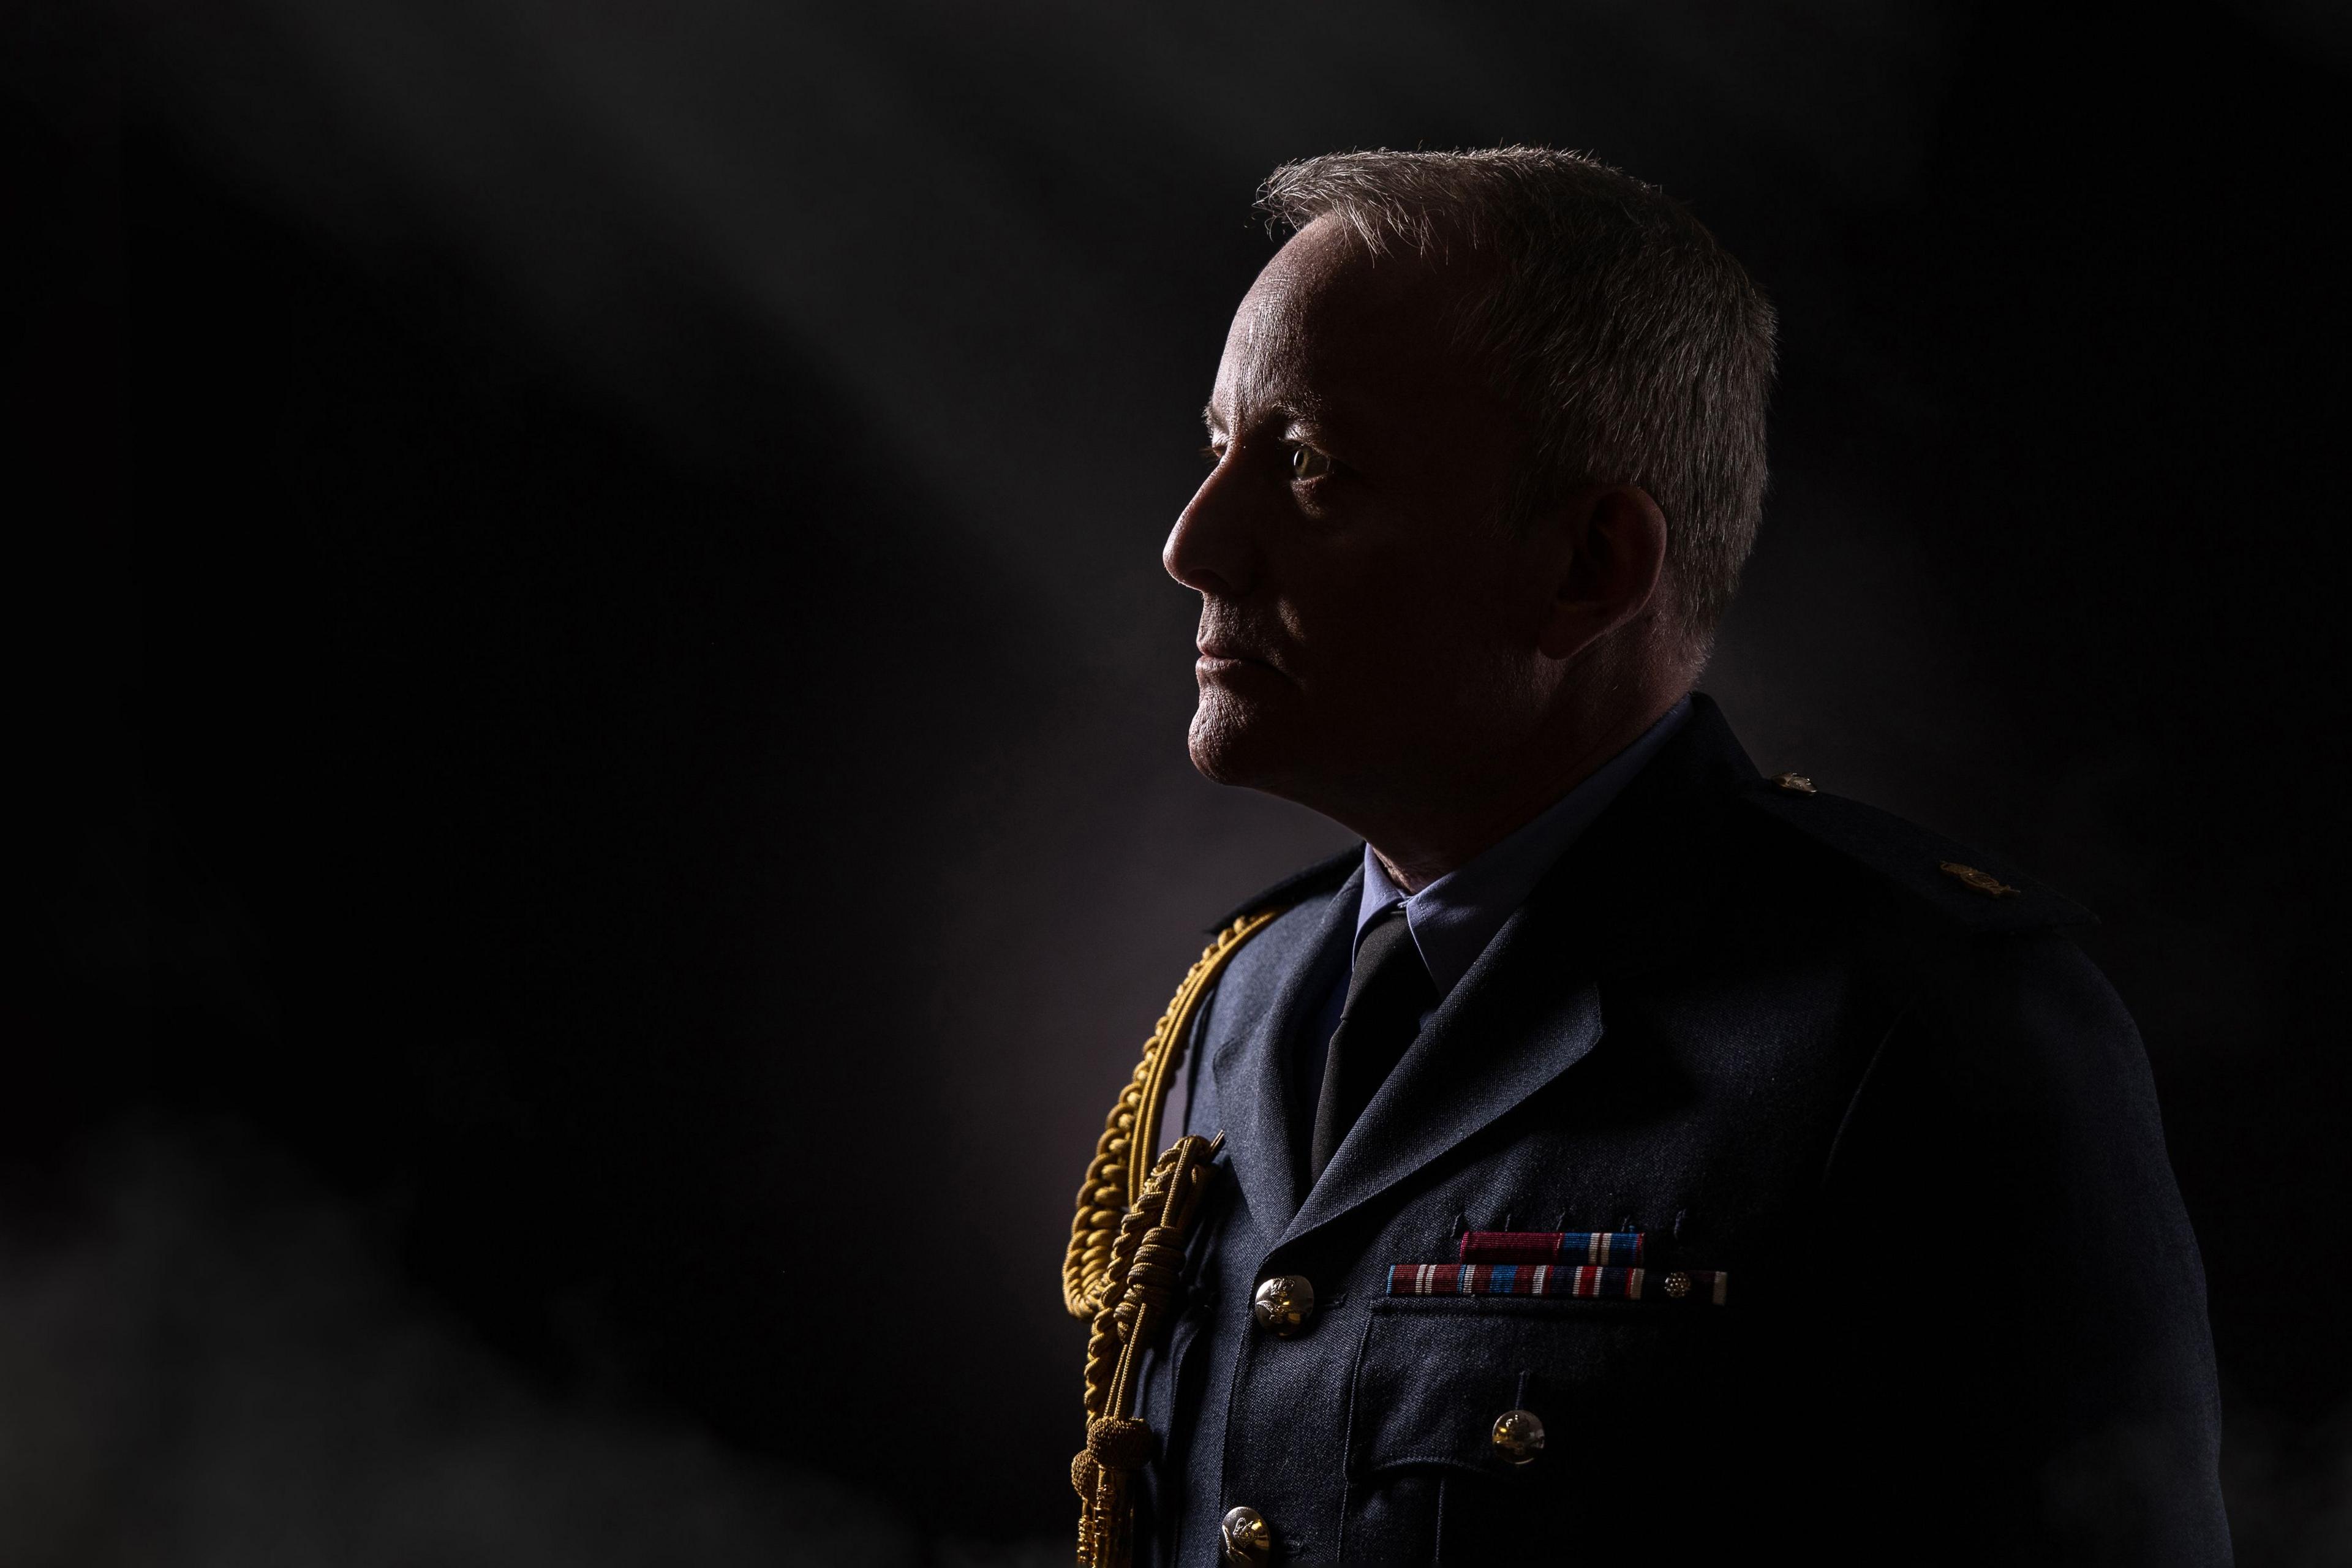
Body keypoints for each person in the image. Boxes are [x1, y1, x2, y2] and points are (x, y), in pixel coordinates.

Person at [1061, 148, 2229, 1566]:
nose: (1197, 543)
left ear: (1590, 567)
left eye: (1307, 465)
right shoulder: (1239, 1005)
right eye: (1218, 449)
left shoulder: (1936, 1030)